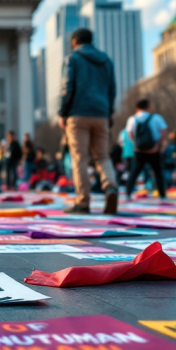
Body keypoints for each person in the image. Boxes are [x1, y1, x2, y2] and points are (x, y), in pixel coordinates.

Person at [58, 27, 119, 214]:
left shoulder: (73, 58)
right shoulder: (106, 60)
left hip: (78, 114)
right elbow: (112, 89)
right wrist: (109, 112)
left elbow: (67, 86)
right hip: (101, 114)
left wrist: (62, 112)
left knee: (80, 158)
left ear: (74, 42)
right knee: (103, 156)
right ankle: (110, 186)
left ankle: (83, 202)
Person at [125, 99, 168, 199]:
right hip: (154, 150)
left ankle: (128, 193)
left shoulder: (132, 119)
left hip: (139, 151)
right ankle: (162, 194)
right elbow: (164, 131)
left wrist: (136, 145)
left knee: (134, 172)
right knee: (157, 172)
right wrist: (157, 145)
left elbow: (130, 134)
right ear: (148, 107)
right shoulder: (156, 117)